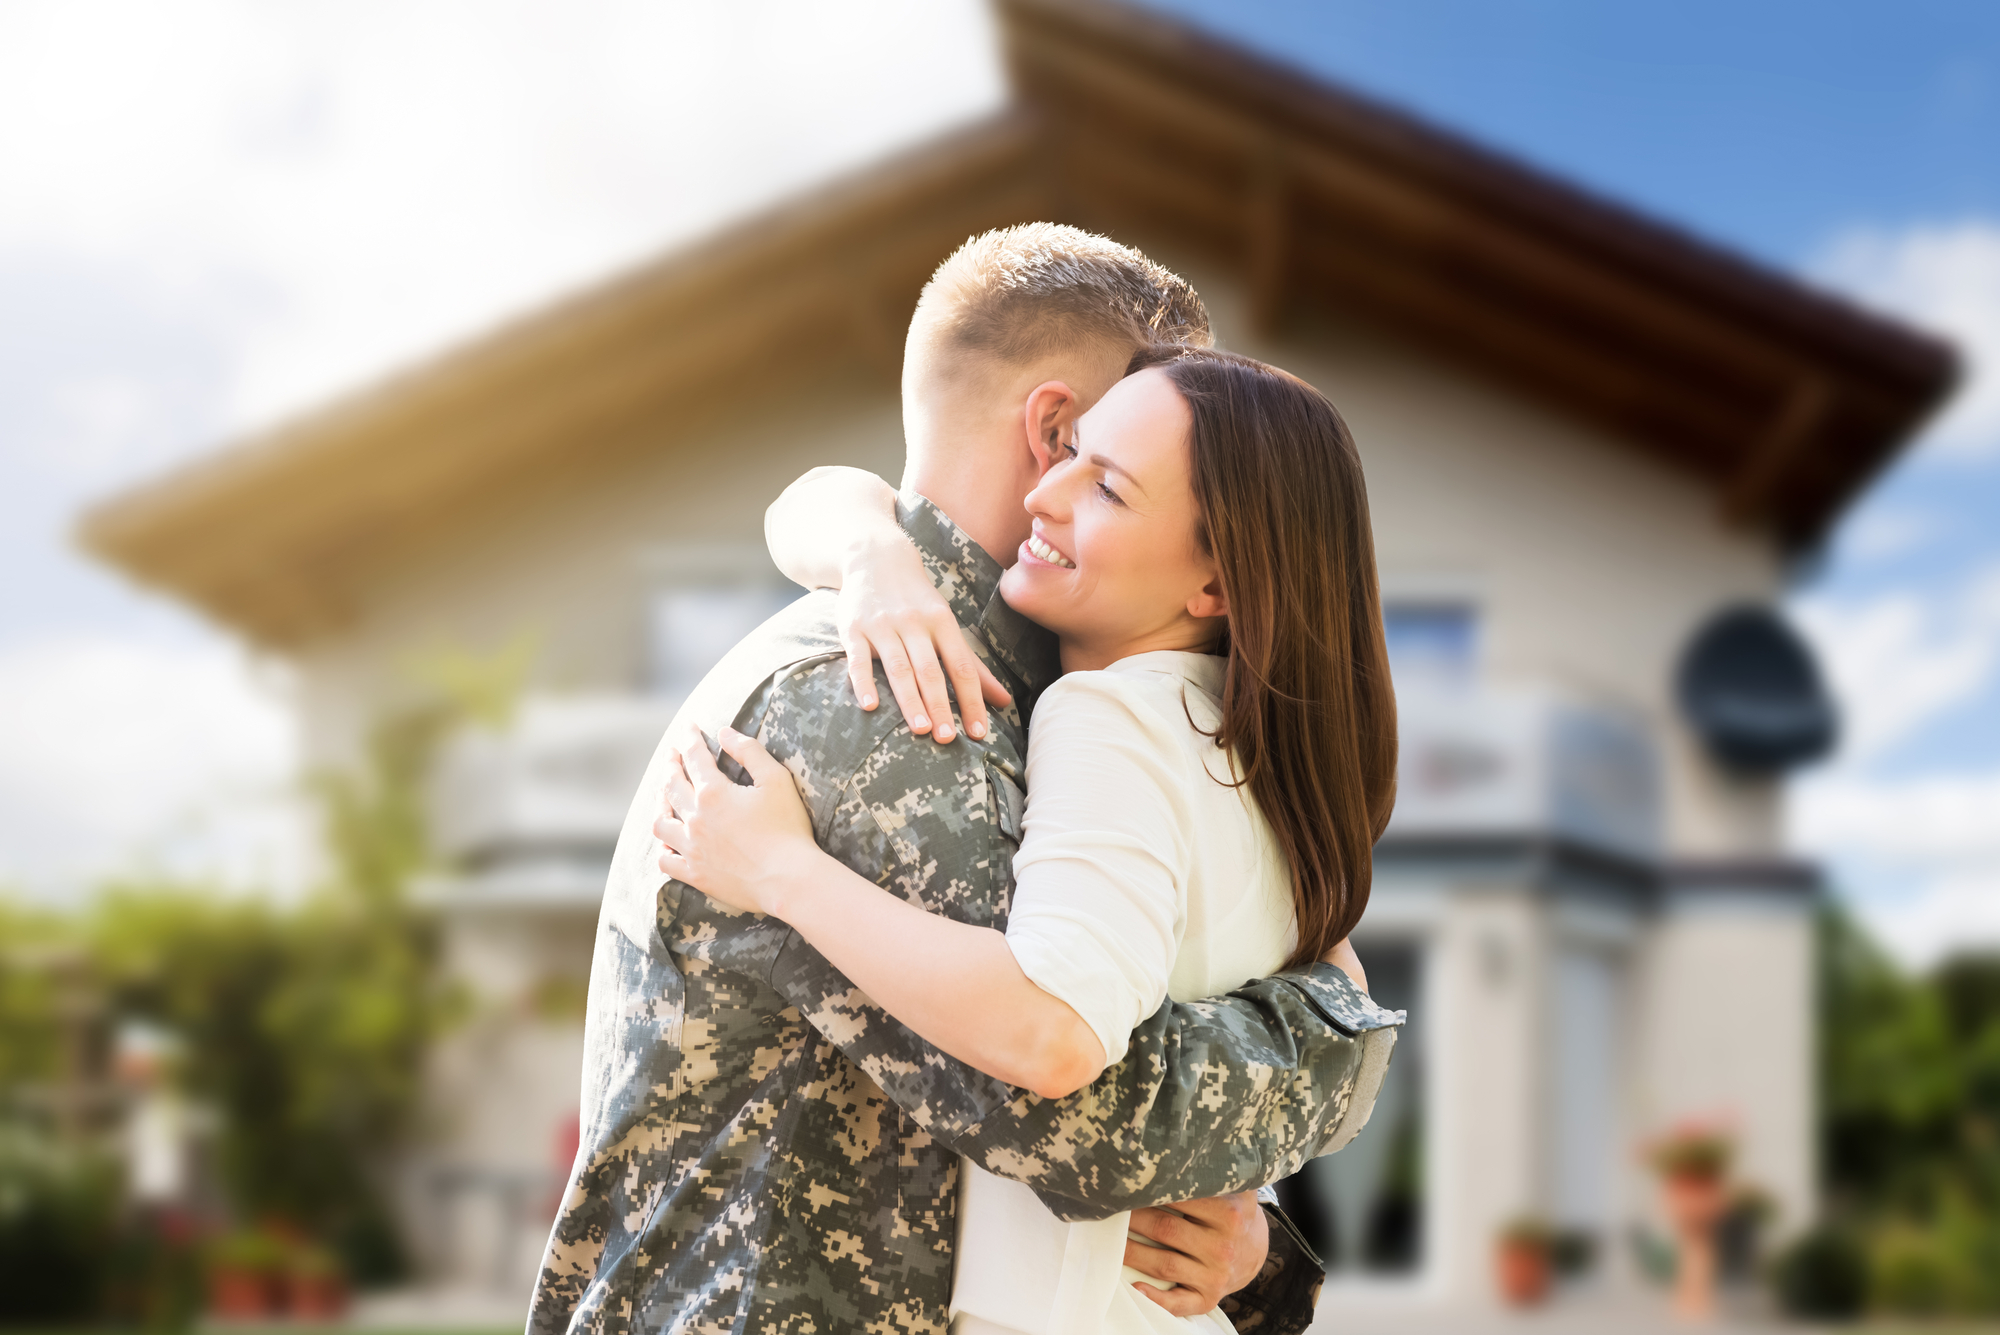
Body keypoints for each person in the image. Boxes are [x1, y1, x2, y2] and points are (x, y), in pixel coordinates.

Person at [527, 225, 1401, 1335]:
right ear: (1053, 429)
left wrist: (1252, 1249)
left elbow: (1149, 993)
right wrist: (1338, 1044)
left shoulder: (1061, 689)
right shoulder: (884, 698)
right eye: (1102, 440)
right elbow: (1071, 1097)